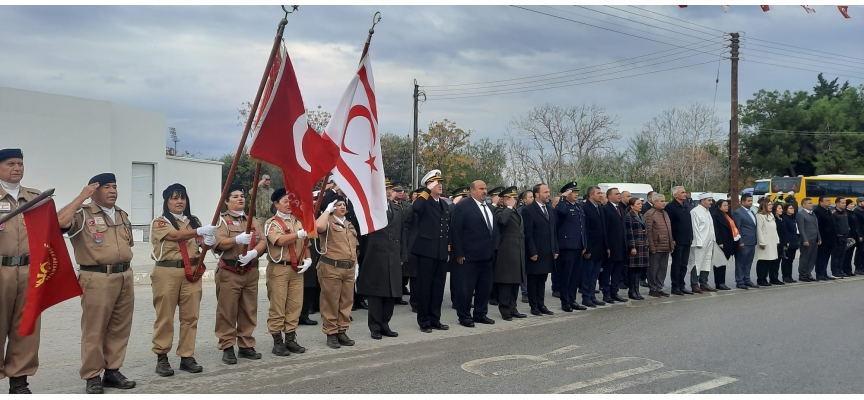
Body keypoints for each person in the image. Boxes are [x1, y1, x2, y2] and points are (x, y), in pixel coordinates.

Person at [59, 173, 137, 393]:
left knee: (119, 327)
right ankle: (92, 375)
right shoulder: (82, 214)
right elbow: (59, 223)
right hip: (96, 277)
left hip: (124, 275)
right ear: (94, 191)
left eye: (114, 186)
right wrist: (80, 198)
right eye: (106, 187)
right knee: (95, 329)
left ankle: (112, 371)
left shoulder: (121, 214)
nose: (113, 191)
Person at [147, 183, 214, 377]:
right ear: (167, 201)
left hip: (192, 272)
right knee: (165, 317)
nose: (179, 202)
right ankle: (162, 357)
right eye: (174, 198)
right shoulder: (160, 222)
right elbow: (175, 235)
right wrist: (199, 232)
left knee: (190, 317)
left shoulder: (193, 221)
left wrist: (208, 241)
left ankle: (187, 356)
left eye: (182, 198)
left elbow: (201, 243)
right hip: (167, 272)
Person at [0, 149, 41, 394]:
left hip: (28, 269)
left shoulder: (35, 197)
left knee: (25, 327)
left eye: (20, 163)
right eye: (10, 163)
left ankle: (19, 381)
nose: (17, 168)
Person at [213, 184, 267, 363]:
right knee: (227, 311)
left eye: (242, 195)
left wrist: (254, 252)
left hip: (250, 271)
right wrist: (235, 240)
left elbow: (263, 241)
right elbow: (218, 243)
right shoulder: (222, 220)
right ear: (226, 201)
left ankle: (245, 344)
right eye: (235, 196)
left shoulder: (253, 220)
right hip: (230, 271)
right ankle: (227, 346)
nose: (240, 198)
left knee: (248, 310)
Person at [263, 188, 312, 355]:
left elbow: (306, 243)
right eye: (285, 201)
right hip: (279, 269)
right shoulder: (272, 223)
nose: (289, 205)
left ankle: (290, 339)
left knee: (294, 306)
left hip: (296, 269)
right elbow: (280, 240)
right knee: (278, 306)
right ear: (276, 204)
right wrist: (299, 234)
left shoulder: (297, 221)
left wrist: (308, 258)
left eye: (291, 201)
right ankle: (277, 341)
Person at [358, 179, 407, 340]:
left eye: (389, 189)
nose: (388, 191)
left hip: (393, 256)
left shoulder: (397, 209)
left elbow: (402, 234)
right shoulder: (371, 209)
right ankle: (375, 327)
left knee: (391, 293)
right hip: (375, 256)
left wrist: (402, 255)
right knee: (376, 294)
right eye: (384, 189)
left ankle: (385, 324)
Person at [451, 180, 497, 327]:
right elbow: (455, 231)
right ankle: (464, 317)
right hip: (468, 256)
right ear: (472, 191)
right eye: (481, 189)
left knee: (484, 288)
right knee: (465, 289)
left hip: (487, 255)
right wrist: (458, 252)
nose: (485, 191)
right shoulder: (463, 207)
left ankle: (480, 314)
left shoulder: (489, 207)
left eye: (485, 188)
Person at [315, 197, 359, 348]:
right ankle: (331, 332)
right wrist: (326, 210)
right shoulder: (327, 221)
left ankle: (342, 330)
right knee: (330, 302)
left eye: (343, 204)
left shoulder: (348, 224)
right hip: (331, 267)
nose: (342, 207)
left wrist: (356, 265)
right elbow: (318, 227)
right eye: (338, 205)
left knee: (346, 301)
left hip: (348, 268)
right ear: (332, 208)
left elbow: (354, 247)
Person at [411, 170, 451, 333]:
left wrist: (447, 249)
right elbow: (416, 209)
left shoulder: (442, 203)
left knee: (438, 287)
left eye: (440, 182)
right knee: (425, 287)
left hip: (440, 251)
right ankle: (424, 321)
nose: (440, 185)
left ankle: (435, 319)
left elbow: (445, 229)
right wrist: (427, 191)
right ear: (429, 185)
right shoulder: (424, 201)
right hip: (426, 250)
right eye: (436, 183)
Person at [522, 183, 558, 315]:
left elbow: (553, 231)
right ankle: (534, 306)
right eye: (546, 192)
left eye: (548, 192)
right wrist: (532, 251)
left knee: (542, 280)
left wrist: (555, 249)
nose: (548, 194)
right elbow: (528, 233)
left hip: (547, 251)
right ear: (537, 194)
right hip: (536, 252)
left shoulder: (549, 209)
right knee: (533, 281)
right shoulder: (529, 210)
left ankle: (541, 304)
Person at [493, 187, 527, 321]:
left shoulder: (516, 212)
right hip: (506, 251)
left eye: (515, 198)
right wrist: (508, 207)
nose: (515, 201)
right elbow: (502, 221)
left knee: (515, 282)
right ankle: (505, 309)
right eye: (512, 199)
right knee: (506, 282)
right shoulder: (499, 211)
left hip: (518, 250)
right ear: (505, 200)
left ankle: (513, 308)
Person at [554, 182, 587, 312]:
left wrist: (584, 243)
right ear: (567, 193)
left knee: (575, 275)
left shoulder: (578, 207)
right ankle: (565, 302)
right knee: (566, 275)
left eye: (577, 192)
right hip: (567, 246)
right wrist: (562, 197)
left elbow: (582, 228)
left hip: (578, 246)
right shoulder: (563, 206)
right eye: (573, 192)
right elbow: (561, 212)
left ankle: (572, 300)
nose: (576, 194)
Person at [600, 188, 628, 303]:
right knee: (607, 272)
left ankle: (614, 292)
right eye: (616, 194)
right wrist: (607, 246)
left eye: (619, 194)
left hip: (621, 246)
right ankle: (606, 294)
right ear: (609, 196)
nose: (618, 196)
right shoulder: (605, 209)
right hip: (611, 246)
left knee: (617, 271)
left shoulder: (620, 208)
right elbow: (605, 230)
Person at [581, 186, 607, 308]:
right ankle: (586, 297)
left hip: (600, 248)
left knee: (595, 274)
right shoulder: (585, 208)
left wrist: (606, 247)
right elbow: (585, 230)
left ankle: (592, 296)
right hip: (591, 248)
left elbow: (604, 229)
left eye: (601, 193)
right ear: (591, 195)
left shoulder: (599, 208)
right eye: (598, 193)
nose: (601, 195)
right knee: (587, 274)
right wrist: (587, 248)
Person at [666, 186, 694, 295]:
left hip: (687, 239)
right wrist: (672, 239)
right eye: (682, 192)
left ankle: (682, 285)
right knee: (677, 264)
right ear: (675, 195)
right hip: (677, 240)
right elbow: (669, 225)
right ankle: (675, 286)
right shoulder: (670, 207)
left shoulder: (687, 206)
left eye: (685, 192)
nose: (685, 194)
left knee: (684, 264)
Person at [644, 193, 672, 297]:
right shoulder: (650, 214)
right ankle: (653, 288)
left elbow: (668, 230)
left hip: (665, 246)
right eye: (661, 201)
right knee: (653, 269)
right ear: (655, 202)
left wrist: (671, 243)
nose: (664, 203)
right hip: (656, 246)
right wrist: (651, 247)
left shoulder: (665, 213)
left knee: (662, 269)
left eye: (664, 201)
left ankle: (659, 287)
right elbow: (648, 232)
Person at [690, 192, 716, 293]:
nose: (711, 202)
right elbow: (695, 228)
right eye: (709, 200)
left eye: (711, 200)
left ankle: (704, 283)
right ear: (702, 201)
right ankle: (694, 284)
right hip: (699, 243)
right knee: (696, 263)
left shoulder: (707, 211)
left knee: (706, 262)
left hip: (709, 242)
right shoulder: (695, 211)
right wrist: (699, 242)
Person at [733, 194, 759, 289]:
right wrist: (740, 241)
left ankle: (747, 279)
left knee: (748, 262)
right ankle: (740, 281)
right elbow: (737, 228)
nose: (750, 202)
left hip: (752, 241)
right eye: (748, 201)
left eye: (751, 200)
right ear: (742, 202)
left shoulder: (751, 212)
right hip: (744, 241)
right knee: (741, 262)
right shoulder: (738, 213)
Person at [710, 199, 737, 291]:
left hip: (729, 241)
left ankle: (722, 282)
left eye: (727, 205)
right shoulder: (716, 215)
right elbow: (716, 230)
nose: (727, 207)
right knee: (719, 263)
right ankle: (719, 282)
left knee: (724, 262)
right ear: (719, 206)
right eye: (725, 205)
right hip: (721, 242)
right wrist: (719, 242)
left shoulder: (728, 215)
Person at [624, 198, 647, 300]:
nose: (640, 205)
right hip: (635, 246)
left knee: (638, 269)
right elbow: (630, 233)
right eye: (638, 204)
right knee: (632, 269)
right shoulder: (629, 216)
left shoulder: (641, 215)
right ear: (632, 206)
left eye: (641, 204)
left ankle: (637, 290)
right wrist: (632, 247)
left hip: (642, 245)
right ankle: (632, 290)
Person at [754, 201, 779, 287]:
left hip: (771, 241)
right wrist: (761, 242)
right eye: (769, 205)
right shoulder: (760, 216)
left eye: (771, 204)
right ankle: (761, 278)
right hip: (765, 241)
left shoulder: (771, 215)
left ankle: (765, 277)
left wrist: (777, 240)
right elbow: (759, 229)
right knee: (763, 260)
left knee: (769, 260)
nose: (771, 206)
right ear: (764, 206)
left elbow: (774, 229)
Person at [796, 198, 821, 282]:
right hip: (807, 240)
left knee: (812, 258)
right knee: (805, 258)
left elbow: (816, 227)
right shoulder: (801, 214)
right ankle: (802, 275)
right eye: (809, 203)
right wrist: (804, 239)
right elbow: (801, 228)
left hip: (815, 239)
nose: (811, 204)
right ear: (804, 205)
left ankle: (808, 273)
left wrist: (819, 237)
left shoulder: (813, 214)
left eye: (812, 203)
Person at [813, 196, 837, 281]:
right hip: (822, 238)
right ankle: (819, 273)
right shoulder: (817, 211)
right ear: (820, 202)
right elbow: (817, 226)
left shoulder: (828, 210)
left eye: (829, 201)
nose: (829, 202)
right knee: (821, 257)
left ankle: (824, 272)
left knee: (826, 257)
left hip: (830, 239)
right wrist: (818, 238)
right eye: (827, 201)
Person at [517, 189, 534, 302]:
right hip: (523, 243)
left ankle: (531, 290)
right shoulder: (520, 211)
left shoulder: (535, 210)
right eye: (530, 197)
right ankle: (525, 292)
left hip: (533, 243)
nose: (532, 199)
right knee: (524, 269)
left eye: (533, 197)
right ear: (523, 200)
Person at [779, 203, 799, 283]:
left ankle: (790, 276)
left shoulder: (792, 218)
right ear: (786, 210)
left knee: (791, 260)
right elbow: (785, 231)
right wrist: (787, 241)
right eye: (790, 208)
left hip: (794, 241)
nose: (793, 209)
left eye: (793, 208)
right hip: (788, 242)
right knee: (786, 260)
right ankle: (785, 276)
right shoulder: (784, 218)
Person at [830, 197, 850, 278]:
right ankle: (835, 271)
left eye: (845, 203)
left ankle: (840, 270)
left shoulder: (845, 212)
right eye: (842, 203)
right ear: (837, 203)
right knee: (836, 255)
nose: (844, 204)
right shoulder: (834, 213)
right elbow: (833, 226)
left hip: (845, 236)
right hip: (838, 237)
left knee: (842, 255)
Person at [769, 203, 787, 285]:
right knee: (774, 261)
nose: (781, 210)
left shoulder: (781, 218)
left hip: (781, 242)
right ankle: (773, 278)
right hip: (775, 242)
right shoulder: (774, 219)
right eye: (779, 208)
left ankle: (775, 277)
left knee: (778, 260)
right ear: (775, 209)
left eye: (781, 208)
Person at [842, 199, 860, 277]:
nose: (853, 205)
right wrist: (848, 236)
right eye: (851, 204)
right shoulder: (846, 213)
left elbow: (856, 225)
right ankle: (845, 269)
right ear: (847, 205)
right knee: (847, 254)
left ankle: (849, 270)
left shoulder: (852, 213)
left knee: (850, 254)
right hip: (848, 236)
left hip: (854, 235)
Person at [854, 197, 864, 275]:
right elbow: (857, 225)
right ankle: (858, 267)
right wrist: (859, 235)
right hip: (861, 234)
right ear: (859, 203)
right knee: (860, 251)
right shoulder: (856, 211)